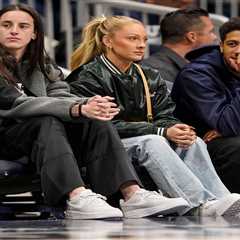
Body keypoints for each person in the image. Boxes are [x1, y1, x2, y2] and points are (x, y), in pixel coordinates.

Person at [0, 4, 192, 220]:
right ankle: (76, 196)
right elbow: (16, 104)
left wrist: (89, 104)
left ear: (34, 33)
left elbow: (61, 94)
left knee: (95, 119)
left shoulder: (42, 64)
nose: (14, 30)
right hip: (7, 137)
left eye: (23, 26)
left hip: (41, 137)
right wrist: (77, 108)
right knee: (46, 121)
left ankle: (132, 194)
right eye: (6, 25)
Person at [66, 15, 240, 217]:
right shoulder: (87, 76)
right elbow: (103, 125)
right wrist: (161, 130)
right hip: (103, 147)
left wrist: (176, 128)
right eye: (132, 39)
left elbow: (165, 114)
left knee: (192, 141)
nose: (141, 45)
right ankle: (198, 204)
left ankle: (220, 199)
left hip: (143, 138)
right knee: (153, 141)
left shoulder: (149, 75)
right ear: (108, 41)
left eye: (144, 40)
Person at [171, 17, 240, 193]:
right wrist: (227, 128)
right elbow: (225, 123)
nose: (238, 51)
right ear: (221, 46)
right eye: (232, 44)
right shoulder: (196, 74)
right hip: (196, 147)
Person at [142, 8, 217, 90]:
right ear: (192, 37)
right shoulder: (154, 72)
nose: (215, 37)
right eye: (211, 32)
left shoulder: (198, 68)